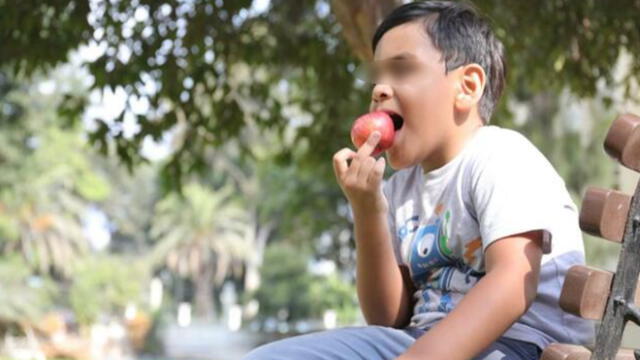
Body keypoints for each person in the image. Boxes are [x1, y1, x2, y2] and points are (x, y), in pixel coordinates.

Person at [243, 1, 594, 359]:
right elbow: (387, 318)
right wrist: (367, 209)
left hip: (519, 344)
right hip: (422, 340)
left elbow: (513, 282)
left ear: (467, 86)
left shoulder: (500, 155)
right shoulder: (399, 189)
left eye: (402, 70)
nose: (379, 90)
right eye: (377, 78)